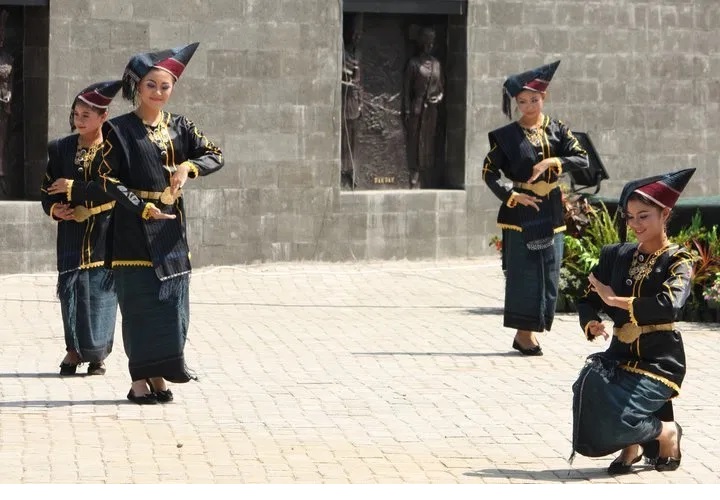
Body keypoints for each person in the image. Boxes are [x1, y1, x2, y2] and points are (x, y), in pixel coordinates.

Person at [96, 42, 224, 404]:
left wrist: (188, 167)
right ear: (137, 87)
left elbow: (214, 154)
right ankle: (140, 378)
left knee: (171, 304)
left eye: (165, 86)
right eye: (151, 85)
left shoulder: (180, 126)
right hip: (132, 227)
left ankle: (161, 371)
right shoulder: (118, 130)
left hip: (170, 229)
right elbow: (108, 179)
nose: (158, 92)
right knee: (139, 303)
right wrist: (141, 208)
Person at [571, 168, 695, 474]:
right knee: (588, 387)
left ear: (665, 214)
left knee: (620, 412)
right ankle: (632, 443)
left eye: (644, 216)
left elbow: (669, 304)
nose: (635, 224)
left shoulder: (679, 259)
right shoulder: (617, 256)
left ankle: (665, 433)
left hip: (659, 360)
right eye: (629, 217)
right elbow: (588, 298)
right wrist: (591, 322)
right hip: (619, 355)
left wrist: (616, 301)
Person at [482, 60, 588, 355]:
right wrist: (512, 196)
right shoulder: (506, 137)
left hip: (551, 210)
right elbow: (489, 173)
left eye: (535, 99)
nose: (529, 105)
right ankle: (523, 333)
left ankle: (532, 329)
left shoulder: (557, 130)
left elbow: (582, 159)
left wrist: (553, 161)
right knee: (525, 273)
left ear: (545, 98)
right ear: (516, 103)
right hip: (520, 212)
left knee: (549, 272)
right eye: (522, 101)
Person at [40, 80, 122, 376]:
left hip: (104, 230)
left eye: (86, 116)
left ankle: (98, 355)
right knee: (71, 291)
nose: (79, 120)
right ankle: (73, 351)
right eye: (76, 114)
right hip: (71, 233)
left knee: (101, 293)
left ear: (103, 116)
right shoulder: (60, 148)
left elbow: (115, 190)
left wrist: (76, 190)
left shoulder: (115, 151)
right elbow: (46, 189)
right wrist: (54, 209)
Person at [403, 26, 444, 189]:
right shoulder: (413, 63)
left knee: (428, 141)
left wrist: (438, 98)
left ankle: (426, 175)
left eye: (431, 43)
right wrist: (406, 109)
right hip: (417, 108)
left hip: (431, 110)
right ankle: (413, 174)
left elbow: (441, 88)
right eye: (426, 42)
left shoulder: (437, 64)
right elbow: (406, 89)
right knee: (415, 141)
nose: (429, 46)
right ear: (421, 43)